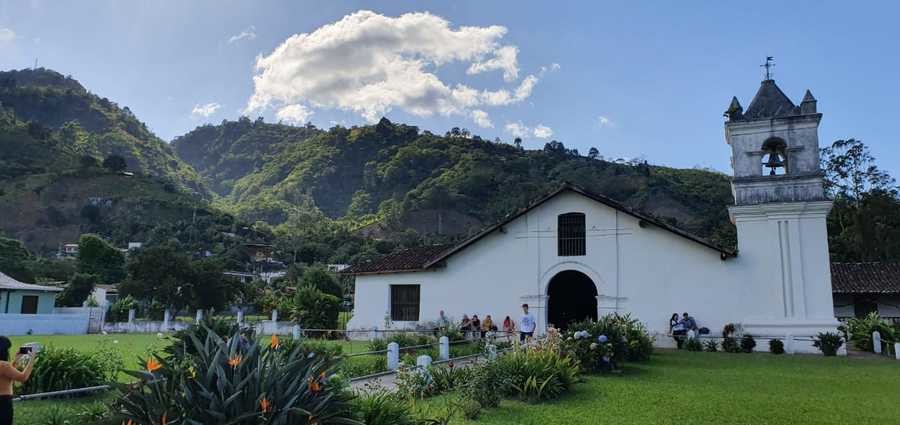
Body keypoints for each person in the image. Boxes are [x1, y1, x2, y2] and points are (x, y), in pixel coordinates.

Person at [1, 336, 37, 425]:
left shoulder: (4, 366)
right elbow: (23, 377)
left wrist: (16, 359)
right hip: (3, 402)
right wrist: (32, 359)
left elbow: (6, 374)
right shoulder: (4, 365)